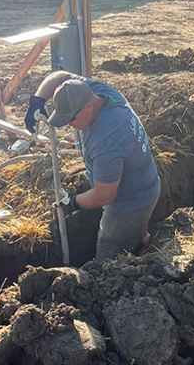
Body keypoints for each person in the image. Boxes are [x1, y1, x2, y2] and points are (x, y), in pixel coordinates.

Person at [25, 72, 160, 262]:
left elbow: (104, 195)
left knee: (107, 257)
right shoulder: (96, 92)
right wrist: (37, 101)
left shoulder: (107, 138)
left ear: (87, 107)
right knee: (134, 231)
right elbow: (60, 76)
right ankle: (141, 243)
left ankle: (138, 259)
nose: (69, 125)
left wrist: (73, 202)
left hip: (131, 201)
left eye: (71, 119)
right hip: (140, 179)